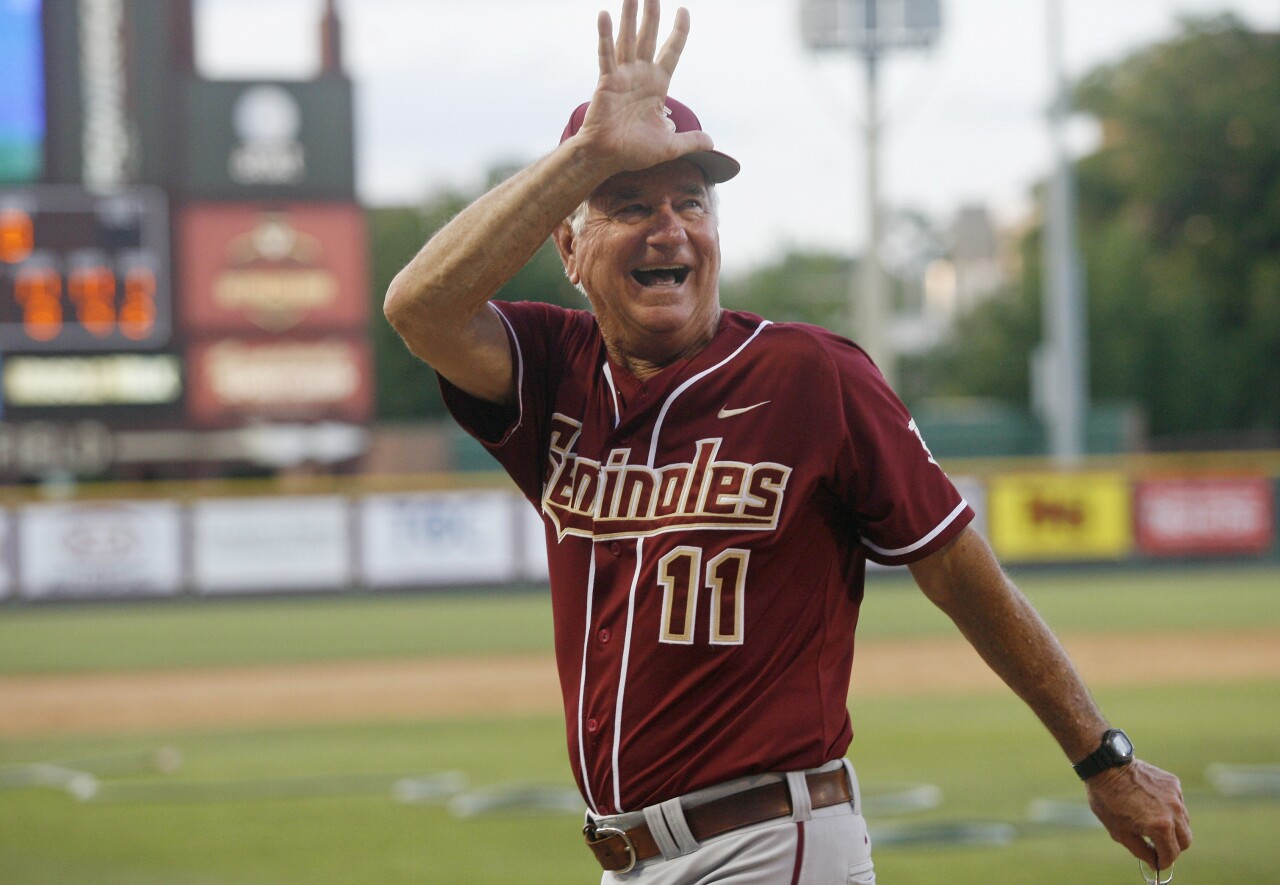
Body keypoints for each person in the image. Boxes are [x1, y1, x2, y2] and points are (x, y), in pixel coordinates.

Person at [384, 1, 1192, 880]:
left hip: (773, 840)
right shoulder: (553, 369)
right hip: (626, 857)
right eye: (627, 204)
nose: (669, 228)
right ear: (569, 249)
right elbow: (417, 308)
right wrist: (586, 155)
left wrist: (1102, 755)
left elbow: (956, 566)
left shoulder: (811, 375)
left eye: (691, 202)